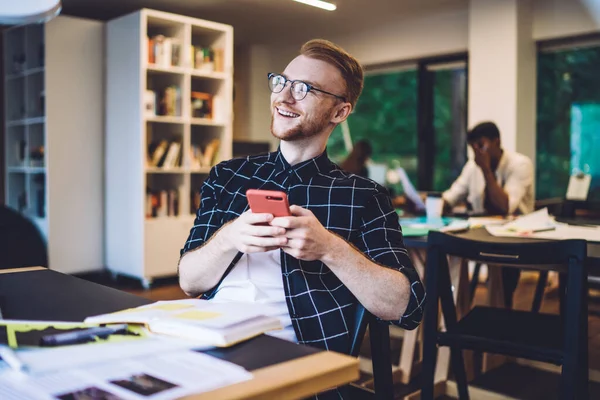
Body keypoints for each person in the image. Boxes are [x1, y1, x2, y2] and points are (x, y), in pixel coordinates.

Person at [178, 39, 425, 367]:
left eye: (305, 88)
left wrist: (329, 249)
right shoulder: (227, 176)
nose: (283, 96)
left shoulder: (365, 196)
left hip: (292, 361)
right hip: (205, 341)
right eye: (281, 82)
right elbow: (189, 281)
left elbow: (406, 309)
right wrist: (230, 238)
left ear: (340, 111)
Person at [442, 121, 534, 307]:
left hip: (515, 239)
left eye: (482, 145)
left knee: (502, 269)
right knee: (450, 251)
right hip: (479, 233)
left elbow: (504, 207)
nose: (478, 153)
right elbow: (451, 196)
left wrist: (486, 170)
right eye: (473, 148)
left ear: (497, 141)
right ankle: (455, 316)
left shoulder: (520, 164)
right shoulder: (472, 167)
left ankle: (501, 314)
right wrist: (428, 201)